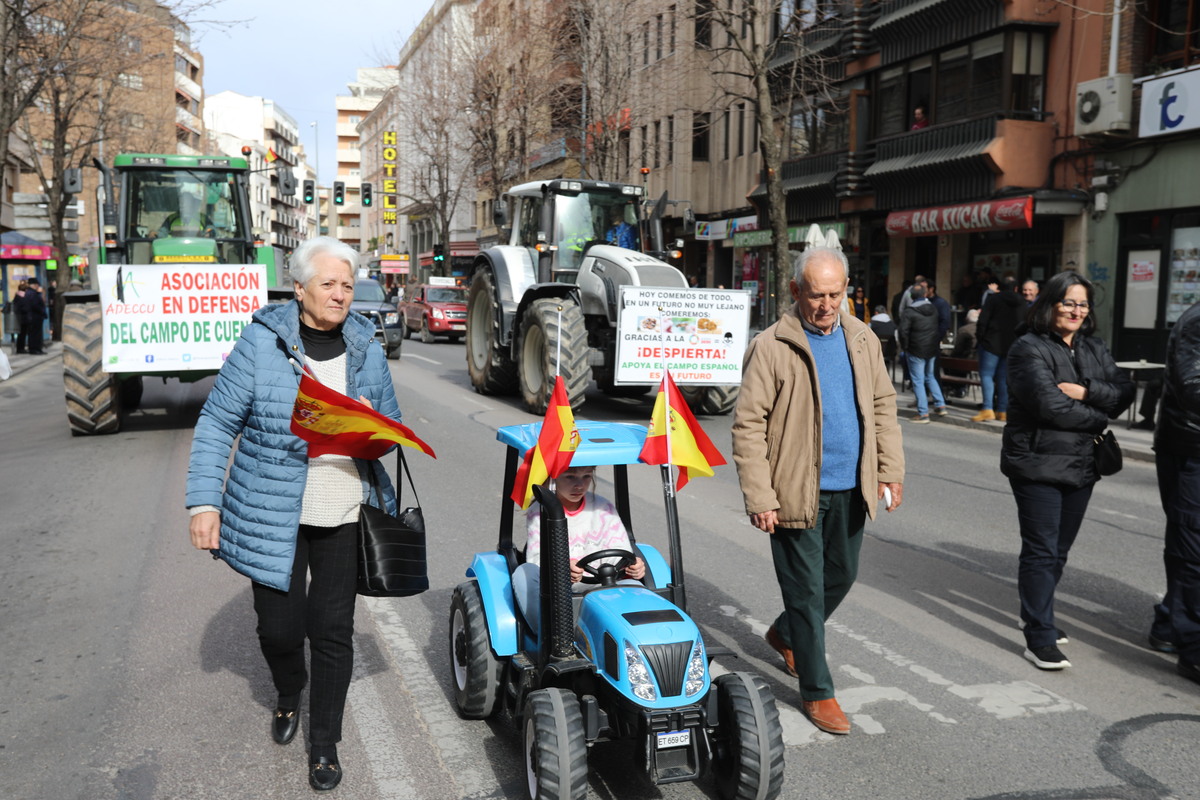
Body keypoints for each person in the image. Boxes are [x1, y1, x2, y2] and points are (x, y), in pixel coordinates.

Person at [186, 236, 402, 791]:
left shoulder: (367, 347)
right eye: (328, 284)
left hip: (343, 507)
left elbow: (390, 431)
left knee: (332, 630)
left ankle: (324, 743)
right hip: (271, 509)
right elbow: (216, 423)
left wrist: (373, 427)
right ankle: (288, 689)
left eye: (347, 285)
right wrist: (204, 502)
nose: (340, 295)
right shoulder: (261, 344)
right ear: (300, 288)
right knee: (281, 630)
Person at [732, 245, 904, 736]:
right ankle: (818, 690)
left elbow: (883, 406)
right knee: (806, 592)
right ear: (795, 291)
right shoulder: (772, 346)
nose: (827, 304)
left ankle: (785, 633)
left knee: (842, 576)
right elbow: (748, 427)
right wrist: (760, 496)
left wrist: (890, 471)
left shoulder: (863, 339)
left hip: (851, 486)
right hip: (792, 492)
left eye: (835, 293)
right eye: (816, 294)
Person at [1001, 271, 1133, 670]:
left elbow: (1124, 393)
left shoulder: (1094, 346)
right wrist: (1098, 416)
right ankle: (1038, 635)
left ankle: (1041, 614)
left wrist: (1087, 391)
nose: (1076, 311)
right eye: (1068, 302)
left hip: (1082, 462)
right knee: (1041, 550)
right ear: (1050, 303)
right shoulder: (1028, 348)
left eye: (1083, 304)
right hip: (1036, 462)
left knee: (1059, 550)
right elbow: (1048, 406)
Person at [512, 465, 646, 633]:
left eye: (586, 477)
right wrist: (562, 567)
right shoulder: (540, 511)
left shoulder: (603, 507)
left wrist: (633, 566)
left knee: (638, 589)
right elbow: (536, 558)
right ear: (553, 478)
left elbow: (621, 549)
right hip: (560, 589)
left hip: (605, 583)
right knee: (524, 573)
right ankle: (550, 635)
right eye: (570, 477)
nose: (579, 485)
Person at [1149, 300, 1200, 684]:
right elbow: (1192, 387)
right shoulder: (1196, 322)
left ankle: (1170, 623)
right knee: (1191, 546)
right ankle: (1193, 647)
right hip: (1191, 450)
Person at [973, 277, 1023, 422]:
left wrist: (981, 338)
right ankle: (1003, 410)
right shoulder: (1022, 302)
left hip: (991, 343)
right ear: (1016, 288)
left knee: (987, 375)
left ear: (1000, 287)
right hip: (1012, 344)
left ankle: (987, 408)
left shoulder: (993, 299)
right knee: (1003, 378)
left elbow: (983, 321)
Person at [899, 284, 948, 422]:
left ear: (911, 297)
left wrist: (905, 347)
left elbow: (903, 332)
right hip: (931, 348)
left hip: (916, 349)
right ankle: (941, 405)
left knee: (918, 381)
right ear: (924, 295)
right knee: (930, 376)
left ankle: (923, 413)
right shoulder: (933, 309)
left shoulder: (909, 311)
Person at [23, 278, 46, 355]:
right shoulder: (32, 293)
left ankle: (36, 348)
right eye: (37, 285)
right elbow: (35, 305)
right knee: (35, 334)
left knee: (34, 334)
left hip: (33, 316)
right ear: (34, 285)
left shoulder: (30, 292)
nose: (38, 286)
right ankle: (35, 349)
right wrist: (42, 311)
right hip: (34, 317)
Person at [11, 280, 29, 354]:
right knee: (22, 334)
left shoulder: (17, 296)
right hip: (22, 318)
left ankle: (20, 348)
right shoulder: (22, 297)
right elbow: (22, 307)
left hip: (20, 318)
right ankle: (20, 348)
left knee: (21, 334)